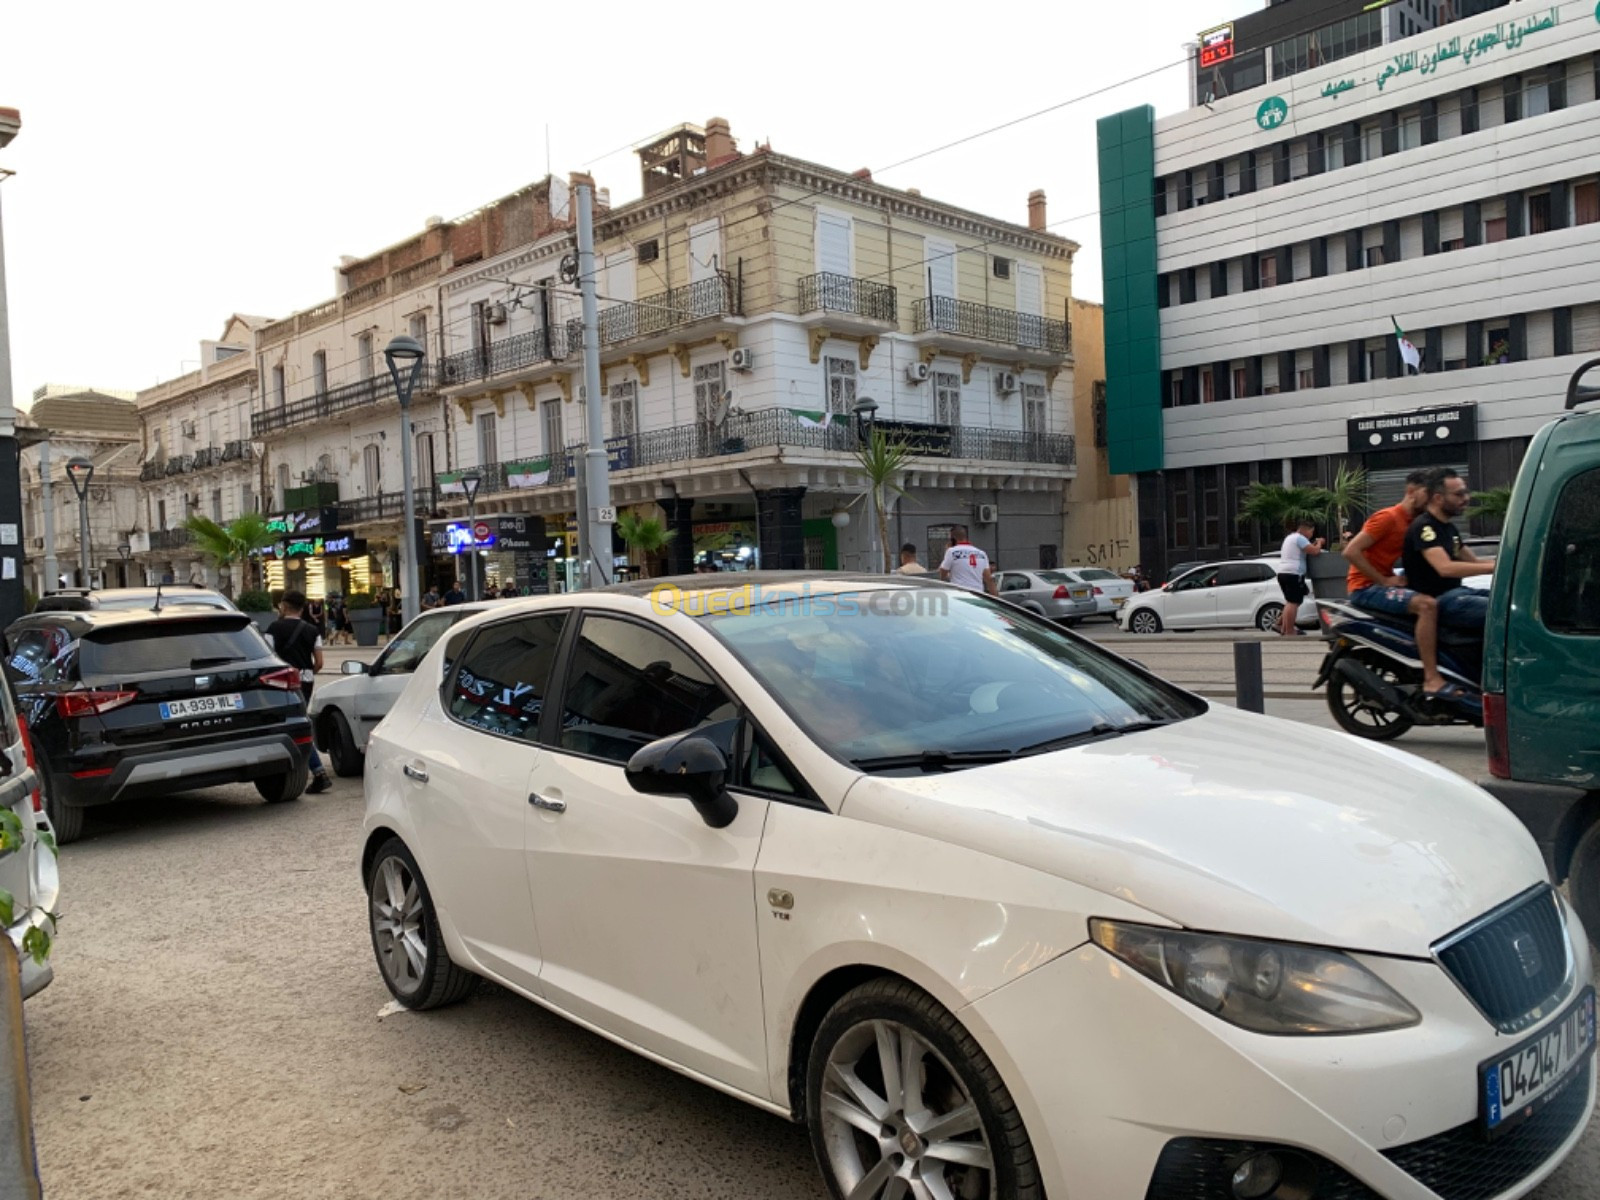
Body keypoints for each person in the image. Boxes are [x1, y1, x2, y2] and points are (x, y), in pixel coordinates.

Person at [1343, 469, 1447, 695]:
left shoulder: (1416, 523)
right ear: (1411, 491)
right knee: (1426, 605)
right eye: (1427, 493)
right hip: (1365, 588)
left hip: (1384, 584)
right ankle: (1432, 677)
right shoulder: (1388, 517)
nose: (1431, 499)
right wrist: (1383, 580)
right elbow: (1351, 551)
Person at [1402, 468, 1494, 637]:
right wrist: (1493, 568)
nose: (1466, 499)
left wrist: (1508, 563)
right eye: (1458, 495)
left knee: (1512, 600)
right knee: (1507, 613)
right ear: (1438, 498)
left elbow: (1473, 562)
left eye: (1466, 493)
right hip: (1441, 600)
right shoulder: (1425, 527)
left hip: (1459, 592)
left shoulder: (1449, 528)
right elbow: (1445, 568)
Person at [264, 589, 333, 795]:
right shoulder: (312, 630)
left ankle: (319, 773)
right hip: (306, 679)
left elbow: (268, 658)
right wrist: (306, 672)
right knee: (299, 721)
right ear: (302, 609)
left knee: (293, 724)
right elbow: (319, 663)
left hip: (284, 681)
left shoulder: (274, 628)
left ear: (284, 607)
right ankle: (316, 771)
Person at [1276, 518, 1325, 636]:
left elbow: (1306, 548)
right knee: (1293, 602)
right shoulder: (1300, 538)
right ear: (1307, 530)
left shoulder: (1290, 538)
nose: (1312, 535)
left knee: (1291, 601)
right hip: (1294, 573)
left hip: (1283, 572)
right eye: (1312, 532)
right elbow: (1314, 551)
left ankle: (1280, 625)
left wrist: (1313, 544)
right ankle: (1289, 630)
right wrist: (1319, 543)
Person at [938, 527, 997, 596]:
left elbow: (943, 572)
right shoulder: (981, 553)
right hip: (978, 594)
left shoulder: (952, 552)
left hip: (960, 594)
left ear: (953, 539)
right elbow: (989, 579)